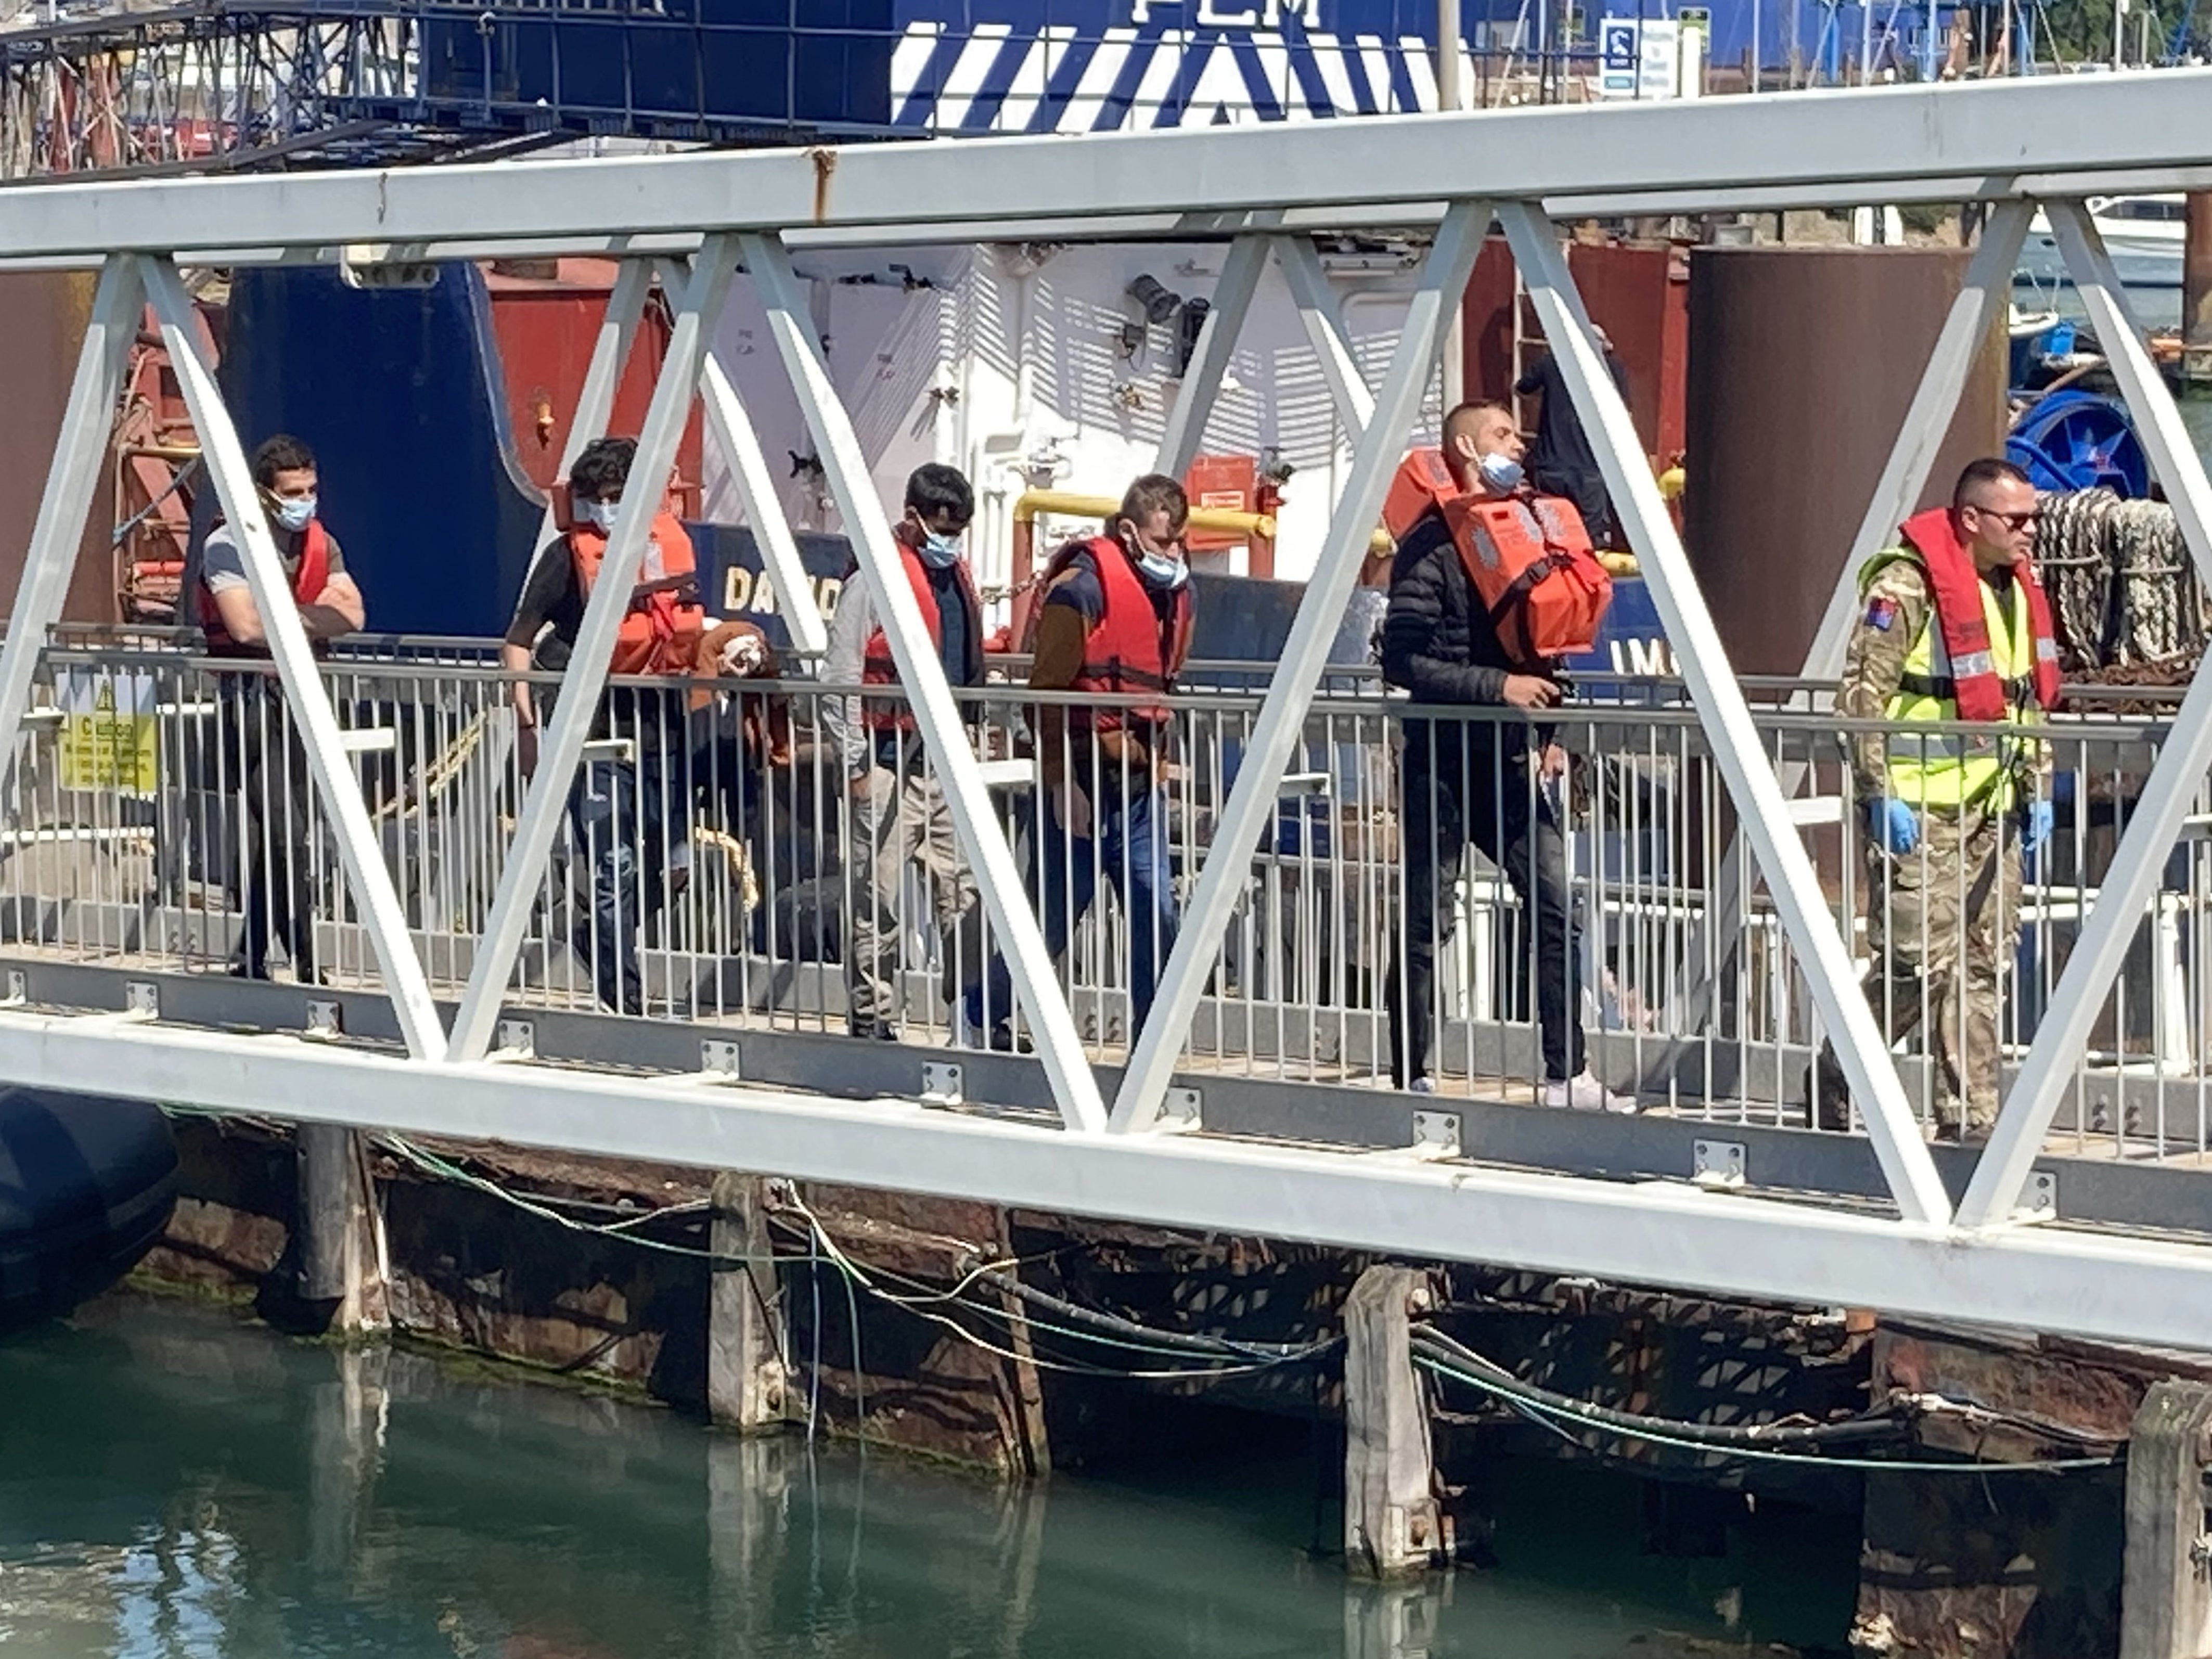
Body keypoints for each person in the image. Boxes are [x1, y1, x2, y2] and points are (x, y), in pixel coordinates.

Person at [1381, 401, 1632, 1111]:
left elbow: (1544, 648)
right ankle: (1412, 1073)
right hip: (1443, 757)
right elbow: (1401, 658)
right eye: (1501, 434)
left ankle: (1565, 1075)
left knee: (1556, 906)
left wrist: (1552, 731)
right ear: (1465, 444)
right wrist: (1500, 686)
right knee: (1429, 916)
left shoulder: (1525, 534)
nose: (1517, 444)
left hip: (1513, 760)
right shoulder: (1430, 546)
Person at [1809, 458, 2058, 1142]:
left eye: (2033, 517)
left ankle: (1971, 1115)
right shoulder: (1906, 585)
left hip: (1993, 810)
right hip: (1920, 814)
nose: (2030, 531)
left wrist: (2038, 779)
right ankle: (1837, 1073)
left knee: (1981, 963)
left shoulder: (2012, 586)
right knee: (1916, 966)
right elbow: (1860, 698)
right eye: (2017, 520)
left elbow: (2025, 699)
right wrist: (1876, 792)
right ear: (1971, 519)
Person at [967, 474, 1194, 1051]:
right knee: (1054, 917)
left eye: (1178, 544)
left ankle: (1152, 1046)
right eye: (1163, 543)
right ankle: (981, 1011)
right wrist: (1061, 785)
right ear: (1129, 532)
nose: (1173, 555)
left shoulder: (1169, 593)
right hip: (1083, 781)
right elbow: (1046, 694)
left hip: (1139, 787)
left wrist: (1161, 764)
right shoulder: (1080, 592)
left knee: (1157, 917)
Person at [503, 436, 704, 1017]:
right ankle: (627, 999)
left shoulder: (667, 550)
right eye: (594, 499)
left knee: (672, 869)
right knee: (612, 865)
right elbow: (517, 641)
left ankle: (597, 941)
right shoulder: (568, 556)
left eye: (618, 496)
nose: (606, 509)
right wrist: (526, 726)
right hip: (590, 733)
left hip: (660, 728)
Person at [821, 464, 985, 1040]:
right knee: (877, 896)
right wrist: (857, 765)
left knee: (964, 894)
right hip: (887, 760)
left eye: (958, 530)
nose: (950, 541)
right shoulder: (874, 581)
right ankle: (872, 1016)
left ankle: (973, 1014)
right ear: (914, 518)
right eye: (942, 528)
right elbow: (841, 675)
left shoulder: (955, 578)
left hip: (945, 761)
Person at [197, 433, 365, 983]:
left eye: (312, 489)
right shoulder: (226, 546)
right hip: (249, 700)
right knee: (285, 831)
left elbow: (354, 615)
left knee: (289, 832)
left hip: (302, 697)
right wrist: (311, 617)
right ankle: (308, 963)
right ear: (265, 495)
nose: (305, 501)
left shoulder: (325, 543)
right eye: (294, 491)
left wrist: (284, 619)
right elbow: (243, 627)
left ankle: (250, 957)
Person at [1514, 326, 1630, 548]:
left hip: (1551, 468)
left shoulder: (1551, 363)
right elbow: (1626, 416)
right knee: (1589, 542)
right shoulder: (1612, 368)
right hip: (1591, 471)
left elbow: (1521, 389)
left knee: (1550, 535)